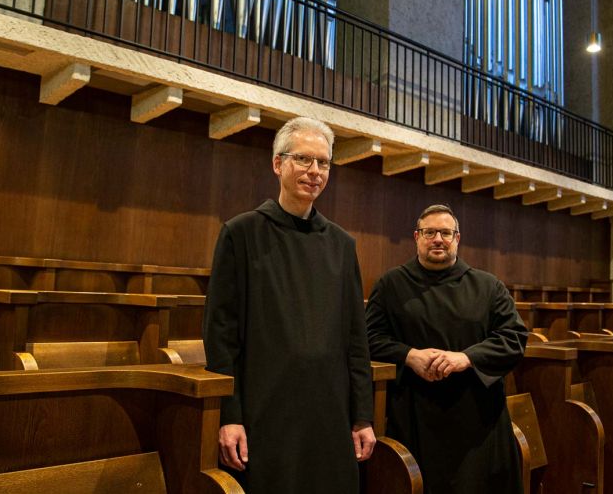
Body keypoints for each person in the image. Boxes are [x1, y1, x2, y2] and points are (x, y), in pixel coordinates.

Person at [203, 117, 376, 493]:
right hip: (266, 411)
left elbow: (356, 339)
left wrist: (363, 416)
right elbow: (221, 335)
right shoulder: (241, 233)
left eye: (323, 163)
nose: (315, 171)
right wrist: (229, 415)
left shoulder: (342, 245)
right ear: (278, 164)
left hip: (330, 414)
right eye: (303, 159)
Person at [365, 204, 528, 494]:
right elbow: (368, 338)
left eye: (445, 233)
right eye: (430, 233)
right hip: (415, 417)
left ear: (457, 238)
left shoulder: (488, 286)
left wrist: (466, 357)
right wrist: (409, 355)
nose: (438, 239)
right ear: (417, 237)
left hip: (478, 420)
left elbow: (514, 338)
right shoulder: (391, 285)